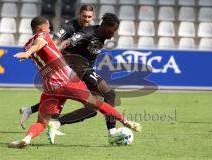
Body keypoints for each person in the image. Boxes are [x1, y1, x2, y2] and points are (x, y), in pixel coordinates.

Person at [8, 16, 141, 149]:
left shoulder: (26, 45)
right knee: (96, 104)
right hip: (67, 79)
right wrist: (29, 53)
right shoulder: (42, 35)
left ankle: (27, 138)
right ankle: (126, 122)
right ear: (42, 28)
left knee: (42, 122)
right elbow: (39, 43)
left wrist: (29, 52)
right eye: (49, 27)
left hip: (50, 86)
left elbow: (37, 46)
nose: (50, 30)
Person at [19, 5, 122, 144]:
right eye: (113, 30)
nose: (114, 33)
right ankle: (112, 132)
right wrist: (54, 58)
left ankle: (41, 115)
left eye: (89, 17)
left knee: (91, 108)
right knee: (109, 95)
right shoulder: (82, 32)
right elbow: (63, 43)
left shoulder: (99, 32)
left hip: (81, 69)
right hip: (77, 69)